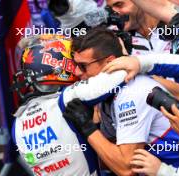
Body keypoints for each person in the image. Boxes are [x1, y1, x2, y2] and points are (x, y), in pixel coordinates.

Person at [62, 27, 179, 176]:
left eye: (82, 66)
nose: (77, 73)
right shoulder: (104, 91)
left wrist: (88, 128)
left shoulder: (133, 93)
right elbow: (107, 154)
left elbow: (126, 169)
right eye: (75, 64)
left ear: (109, 63)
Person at [11, 34, 129, 176]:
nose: (79, 70)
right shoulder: (66, 98)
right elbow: (122, 73)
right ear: (61, 67)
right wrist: (123, 52)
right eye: (76, 63)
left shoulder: (17, 124)